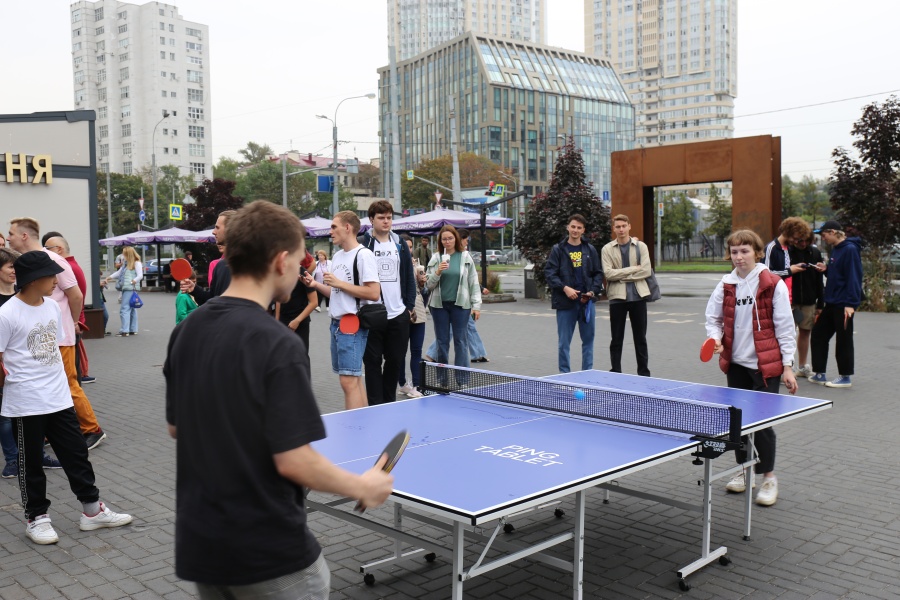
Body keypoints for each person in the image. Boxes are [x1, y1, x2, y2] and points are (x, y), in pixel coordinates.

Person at [164, 201, 392, 598]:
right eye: (300, 257)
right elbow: (295, 460)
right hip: (268, 551)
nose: (304, 267)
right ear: (280, 261)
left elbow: (176, 427)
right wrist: (362, 486)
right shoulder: (278, 342)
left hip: (203, 545)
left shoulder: (187, 330)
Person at [0, 251, 132, 544]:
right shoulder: (7, 314)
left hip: (58, 397)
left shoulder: (51, 307)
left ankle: (92, 510)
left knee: (76, 454)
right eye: (51, 276)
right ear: (33, 279)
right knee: (31, 463)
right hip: (27, 401)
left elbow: (56, 350)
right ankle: (36, 518)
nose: (55, 281)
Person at [705, 229, 798, 507]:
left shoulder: (772, 283)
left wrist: (788, 366)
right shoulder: (726, 284)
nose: (739, 257)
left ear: (757, 253)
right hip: (736, 365)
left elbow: (785, 327)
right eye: (734, 251)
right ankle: (745, 471)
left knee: (763, 423)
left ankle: (768, 477)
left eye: (744, 251)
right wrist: (715, 338)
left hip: (765, 366)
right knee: (740, 423)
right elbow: (713, 319)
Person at [8, 218, 106, 450]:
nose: (8, 238)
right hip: (38, 338)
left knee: (68, 384)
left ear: (24, 236)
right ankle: (47, 431)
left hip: (59, 337)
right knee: (46, 385)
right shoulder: (26, 260)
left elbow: (76, 294)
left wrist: (73, 322)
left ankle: (92, 429)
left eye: (11, 233)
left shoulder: (53, 259)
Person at [302, 211, 380, 410]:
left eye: (334, 227)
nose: (330, 231)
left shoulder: (364, 255)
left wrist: (339, 283)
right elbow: (336, 293)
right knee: (352, 379)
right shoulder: (337, 256)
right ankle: (364, 422)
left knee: (348, 381)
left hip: (352, 324)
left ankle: (354, 426)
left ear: (347, 227)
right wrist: (315, 285)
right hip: (337, 324)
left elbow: (373, 293)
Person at [0, 248, 63, 479]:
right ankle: (13, 459)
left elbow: (53, 345)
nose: (13, 272)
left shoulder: (47, 304)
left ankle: (36, 455)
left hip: (48, 390)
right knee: (6, 421)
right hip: (15, 382)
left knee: (36, 433)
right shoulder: (7, 311)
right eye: (9, 267)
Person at [360, 201, 416, 405]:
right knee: (372, 363)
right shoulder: (363, 243)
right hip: (372, 314)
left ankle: (389, 402)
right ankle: (375, 405)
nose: (386, 221)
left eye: (389, 218)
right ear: (371, 219)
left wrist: (408, 307)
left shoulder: (399, 243)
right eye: (381, 217)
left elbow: (409, 276)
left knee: (395, 360)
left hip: (398, 314)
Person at [544, 214, 604, 373]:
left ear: (583, 230)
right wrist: (565, 288)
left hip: (586, 303)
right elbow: (550, 273)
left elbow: (598, 273)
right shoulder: (558, 249)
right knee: (564, 343)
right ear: (568, 227)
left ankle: (587, 374)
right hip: (565, 304)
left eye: (579, 227)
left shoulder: (590, 249)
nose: (575, 230)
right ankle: (565, 375)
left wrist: (592, 291)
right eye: (573, 227)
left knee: (588, 342)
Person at [808, 220, 863, 388]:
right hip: (832, 302)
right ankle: (819, 373)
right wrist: (826, 269)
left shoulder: (850, 249)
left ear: (833, 232)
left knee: (844, 339)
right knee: (818, 334)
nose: (823, 238)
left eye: (824, 234)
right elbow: (839, 273)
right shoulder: (836, 249)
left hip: (844, 303)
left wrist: (851, 304)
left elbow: (854, 277)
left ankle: (845, 377)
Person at [422, 229, 490, 363]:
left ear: (456, 239)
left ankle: (461, 375)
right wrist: (438, 271)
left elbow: (473, 282)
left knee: (461, 341)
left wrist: (476, 306)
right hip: (439, 306)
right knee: (442, 341)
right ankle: (442, 375)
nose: (447, 242)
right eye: (444, 239)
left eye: (450, 238)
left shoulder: (465, 256)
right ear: (440, 241)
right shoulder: (436, 257)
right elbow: (428, 285)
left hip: (460, 305)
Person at [601, 214, 653, 377]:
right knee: (616, 339)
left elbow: (646, 271)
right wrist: (633, 269)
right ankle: (616, 372)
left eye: (624, 226)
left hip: (638, 297)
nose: (621, 229)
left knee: (640, 339)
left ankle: (643, 373)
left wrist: (622, 276)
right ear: (614, 228)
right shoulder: (607, 249)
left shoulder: (641, 246)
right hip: (617, 298)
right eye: (618, 226)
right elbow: (608, 274)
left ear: (629, 226)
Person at [43, 234, 95, 384]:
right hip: (69, 324)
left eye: (47, 248)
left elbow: (78, 296)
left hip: (70, 325)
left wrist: (77, 321)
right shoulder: (69, 265)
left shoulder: (67, 267)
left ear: (59, 249)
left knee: (71, 378)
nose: (44, 251)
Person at [788, 232, 825, 379]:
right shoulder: (787, 252)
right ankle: (787, 367)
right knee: (787, 334)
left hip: (809, 301)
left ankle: (802, 366)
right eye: (800, 241)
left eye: (807, 241)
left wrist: (820, 304)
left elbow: (819, 279)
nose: (803, 244)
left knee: (805, 332)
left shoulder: (814, 253)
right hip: (790, 300)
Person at [180, 210, 237, 304]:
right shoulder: (220, 266)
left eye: (217, 227)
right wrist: (194, 289)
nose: (214, 232)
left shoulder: (249, 266)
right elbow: (212, 298)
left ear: (230, 230)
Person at [398, 236, 426, 398]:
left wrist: (422, 282)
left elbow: (423, 290)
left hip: (419, 310)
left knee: (416, 350)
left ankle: (417, 384)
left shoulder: (416, 265)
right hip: (401, 310)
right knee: (400, 351)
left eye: (410, 247)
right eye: (405, 247)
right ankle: (402, 384)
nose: (408, 250)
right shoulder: (396, 265)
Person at [273, 251, 318, 352]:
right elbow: (279, 299)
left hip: (300, 322)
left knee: (300, 354)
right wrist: (277, 319)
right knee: (283, 354)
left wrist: (297, 321)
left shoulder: (303, 273)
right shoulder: (281, 272)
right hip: (283, 320)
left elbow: (314, 302)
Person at [764, 217, 813, 303]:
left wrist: (794, 267)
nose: (796, 242)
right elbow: (766, 274)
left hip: (787, 297)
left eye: (798, 239)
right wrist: (789, 271)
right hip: (775, 297)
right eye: (795, 238)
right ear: (787, 232)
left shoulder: (788, 248)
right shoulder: (771, 248)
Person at [103, 246, 143, 337]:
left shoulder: (136, 263)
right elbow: (119, 273)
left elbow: (140, 275)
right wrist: (109, 277)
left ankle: (124, 330)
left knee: (124, 309)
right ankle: (133, 329)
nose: (122, 255)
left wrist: (132, 281)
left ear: (128, 254)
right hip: (130, 288)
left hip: (129, 288)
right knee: (132, 308)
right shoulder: (127, 263)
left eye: (124, 254)